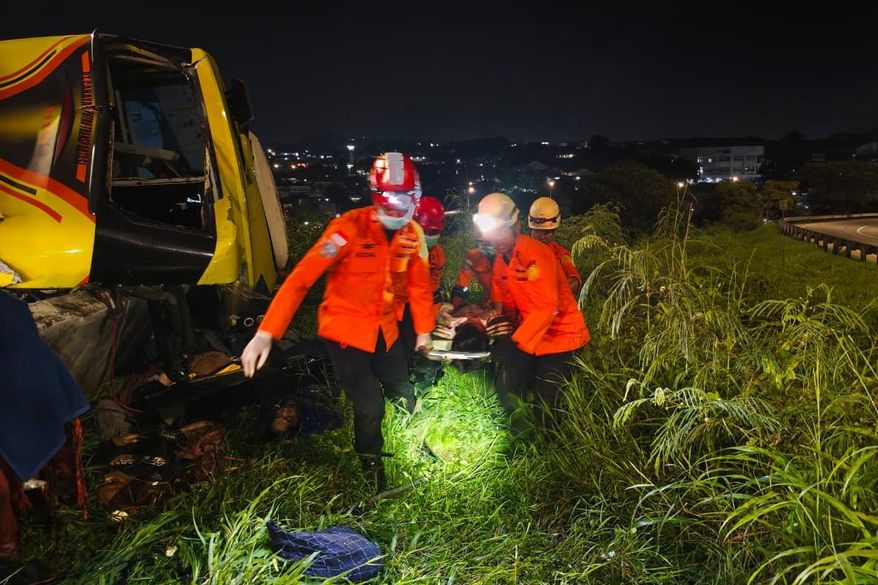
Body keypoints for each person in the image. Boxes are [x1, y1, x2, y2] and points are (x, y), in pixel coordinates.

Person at [241, 152, 435, 491]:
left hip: (385, 330)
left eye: (405, 200)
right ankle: (372, 472)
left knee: (404, 392)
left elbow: (418, 286)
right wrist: (266, 332)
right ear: (377, 195)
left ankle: (417, 443)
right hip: (346, 334)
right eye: (392, 201)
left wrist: (424, 330)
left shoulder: (410, 235)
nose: (398, 209)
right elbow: (302, 278)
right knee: (370, 407)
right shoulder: (346, 230)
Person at [473, 193, 589, 436]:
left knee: (547, 402)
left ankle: (549, 447)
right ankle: (520, 438)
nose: (498, 240)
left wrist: (515, 344)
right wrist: (493, 326)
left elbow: (547, 308)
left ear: (516, 226)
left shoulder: (538, 253)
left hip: (561, 337)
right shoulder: (502, 260)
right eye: (493, 234)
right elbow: (502, 299)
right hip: (532, 335)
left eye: (502, 232)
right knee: (508, 386)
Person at [396, 196, 447, 390]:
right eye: (426, 231)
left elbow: (433, 286)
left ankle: (428, 378)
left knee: (427, 344)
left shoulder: (437, 254)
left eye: (434, 232)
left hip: (423, 305)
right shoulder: (401, 247)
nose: (430, 236)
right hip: (399, 306)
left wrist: (433, 317)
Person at [527, 197, 582, 296]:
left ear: (554, 232)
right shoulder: (518, 250)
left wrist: (554, 293)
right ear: (531, 229)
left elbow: (574, 280)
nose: (542, 237)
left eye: (547, 233)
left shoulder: (560, 254)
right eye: (538, 231)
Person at [451, 237, 497, 309]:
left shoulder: (510, 254)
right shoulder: (473, 256)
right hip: (489, 303)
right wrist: (458, 298)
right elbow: (462, 281)